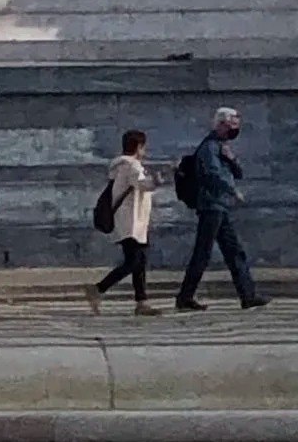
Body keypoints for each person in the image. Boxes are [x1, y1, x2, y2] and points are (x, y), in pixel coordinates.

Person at [175, 107, 266, 313]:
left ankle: (248, 295)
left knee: (234, 252)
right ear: (222, 124)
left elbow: (238, 172)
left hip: (219, 206)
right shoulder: (209, 148)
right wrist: (233, 191)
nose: (236, 128)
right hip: (211, 206)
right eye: (232, 124)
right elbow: (213, 175)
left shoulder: (221, 147)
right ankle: (185, 297)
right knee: (203, 253)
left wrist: (231, 158)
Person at [92, 129, 158, 313]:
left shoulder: (121, 166)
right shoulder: (132, 166)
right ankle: (99, 288)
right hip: (131, 222)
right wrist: (159, 179)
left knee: (139, 261)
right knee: (134, 261)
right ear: (138, 147)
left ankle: (141, 302)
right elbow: (143, 184)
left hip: (130, 221)